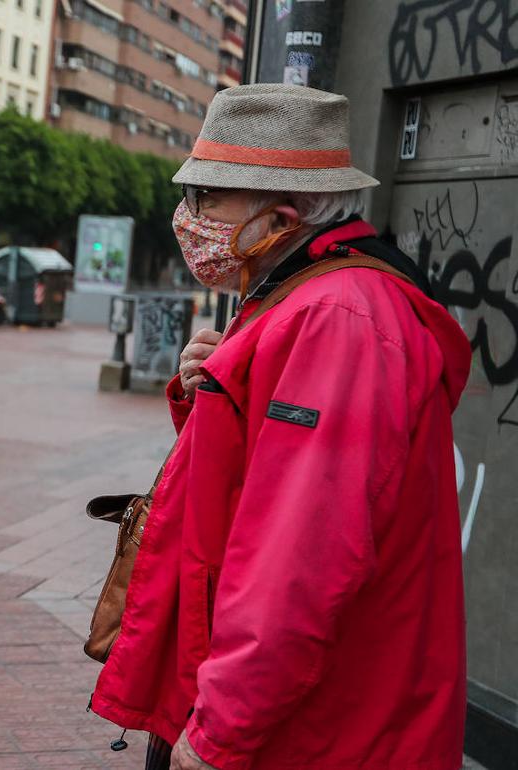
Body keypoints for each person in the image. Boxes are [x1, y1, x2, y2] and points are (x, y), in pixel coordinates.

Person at [88, 84, 470, 770]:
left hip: (313, 734)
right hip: (295, 718)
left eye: (209, 197)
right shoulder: (306, 296)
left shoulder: (335, 317)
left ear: (280, 218)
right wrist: (212, 386)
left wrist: (218, 731)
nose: (188, 216)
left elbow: (303, 556)